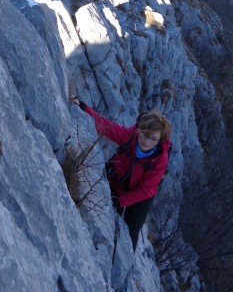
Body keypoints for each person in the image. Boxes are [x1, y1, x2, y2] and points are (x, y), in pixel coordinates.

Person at [70, 96, 171, 251]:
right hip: (118, 180)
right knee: (104, 215)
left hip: (141, 195)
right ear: (140, 129)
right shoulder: (131, 136)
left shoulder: (159, 159)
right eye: (145, 135)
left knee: (131, 232)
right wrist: (84, 108)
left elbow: (146, 190)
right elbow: (108, 128)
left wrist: (122, 201)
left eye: (153, 139)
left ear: (159, 140)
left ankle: (125, 261)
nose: (147, 141)